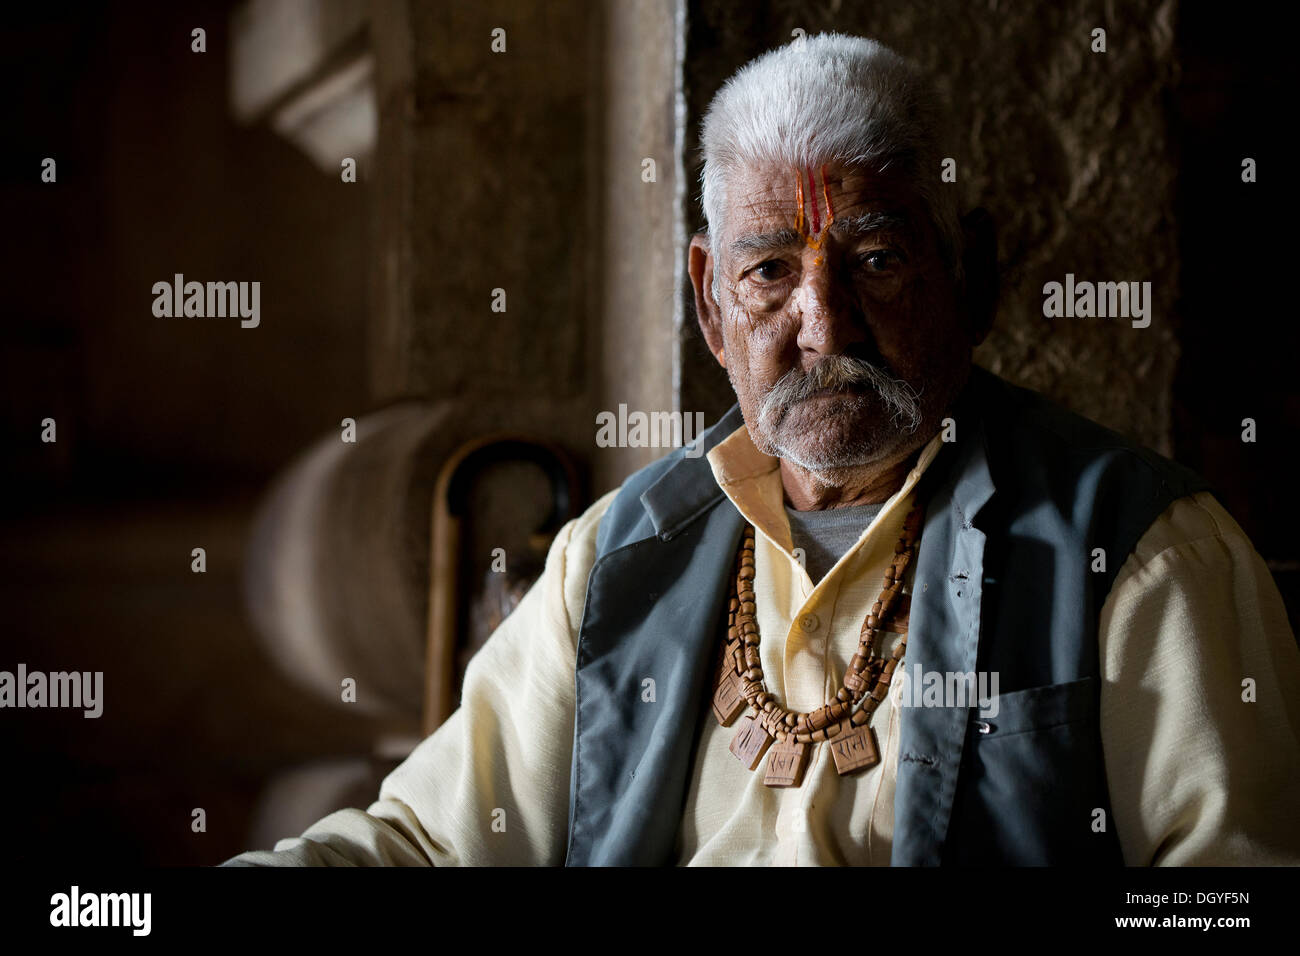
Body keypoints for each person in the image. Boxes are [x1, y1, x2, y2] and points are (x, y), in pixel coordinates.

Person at [222, 32, 1300, 867]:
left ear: (968, 274)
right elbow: (426, 845)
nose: (823, 327)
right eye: (769, 272)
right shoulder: (613, 560)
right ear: (708, 303)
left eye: (875, 258)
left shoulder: (1145, 552)